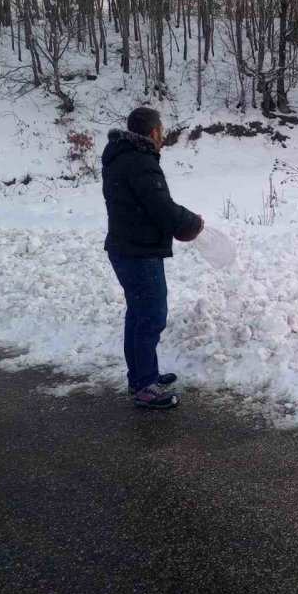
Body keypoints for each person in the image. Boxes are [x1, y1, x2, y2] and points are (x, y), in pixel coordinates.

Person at [102, 107, 203, 409]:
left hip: (128, 248)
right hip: (138, 252)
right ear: (153, 132)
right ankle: (143, 386)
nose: (163, 135)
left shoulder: (120, 155)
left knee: (137, 315)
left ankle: (143, 375)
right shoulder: (139, 161)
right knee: (150, 317)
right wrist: (192, 221)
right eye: (161, 130)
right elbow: (160, 205)